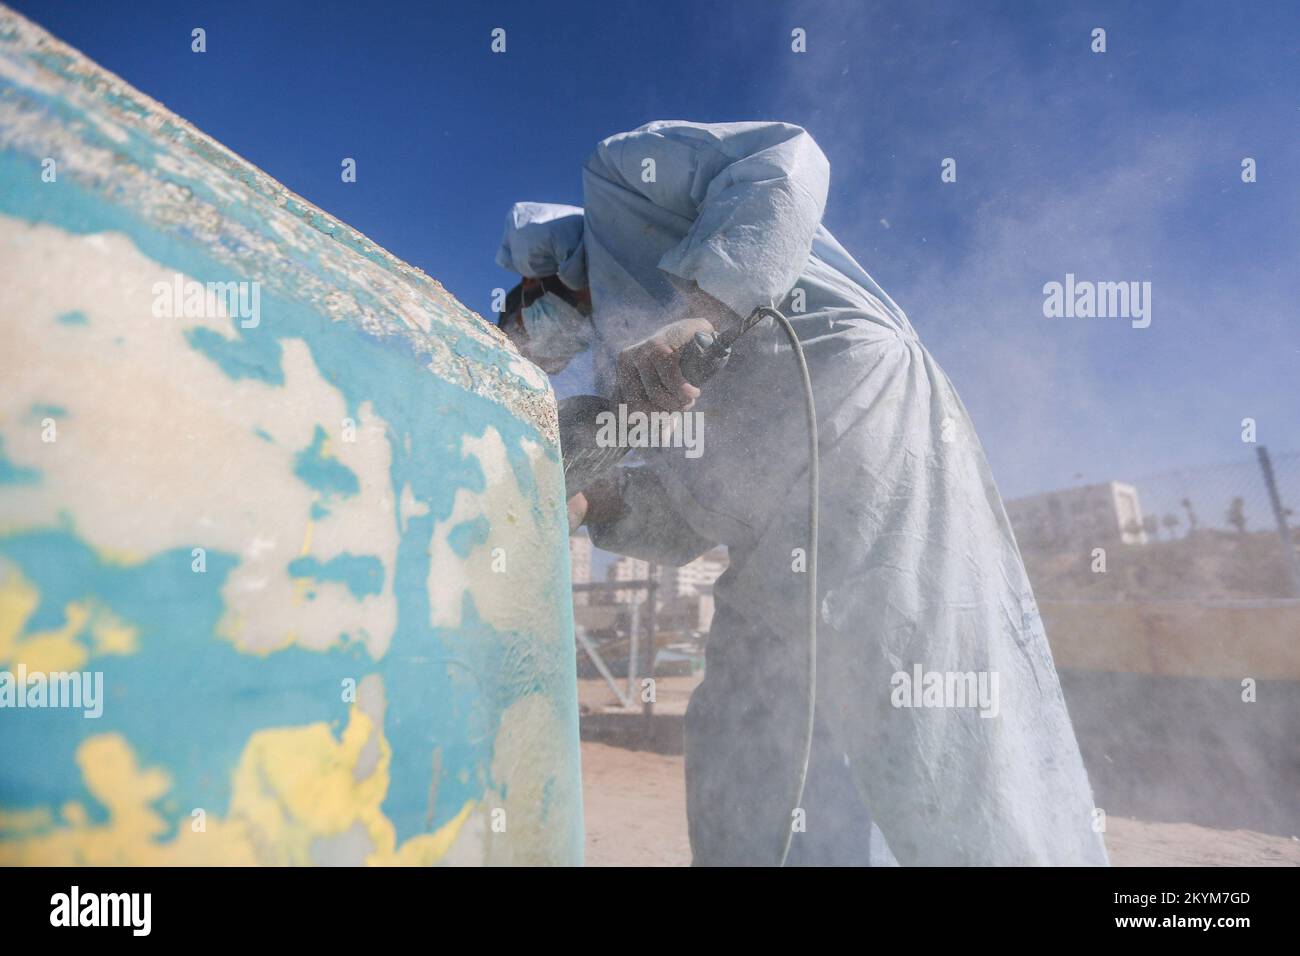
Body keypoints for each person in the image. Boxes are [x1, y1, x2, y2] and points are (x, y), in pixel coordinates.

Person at [496, 121, 1109, 866]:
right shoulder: (610, 354)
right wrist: (599, 503)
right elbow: (688, 512)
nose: (543, 338)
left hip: (858, 428)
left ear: (536, 276)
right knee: (745, 750)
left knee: (935, 727)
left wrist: (711, 302)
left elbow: (785, 158)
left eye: (530, 320)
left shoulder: (618, 180)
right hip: (766, 538)